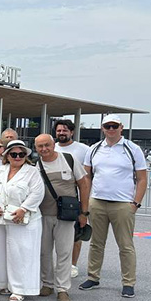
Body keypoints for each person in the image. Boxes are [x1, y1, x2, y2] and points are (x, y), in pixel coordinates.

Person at [79, 114, 147, 298]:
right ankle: (93, 277)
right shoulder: (94, 149)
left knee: (125, 245)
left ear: (121, 128)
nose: (110, 129)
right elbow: (87, 177)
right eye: (107, 126)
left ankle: (128, 282)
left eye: (114, 126)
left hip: (123, 204)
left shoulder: (132, 149)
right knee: (96, 244)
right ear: (102, 128)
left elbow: (142, 179)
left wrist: (135, 204)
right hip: (98, 202)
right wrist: (86, 203)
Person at [0, 140, 45, 301]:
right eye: (14, 154)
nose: (17, 157)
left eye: (21, 154)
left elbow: (37, 193)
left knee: (20, 253)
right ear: (7, 155)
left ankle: (20, 289)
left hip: (22, 219)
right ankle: (2, 283)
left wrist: (23, 209)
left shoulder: (32, 172)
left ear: (26, 156)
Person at [34, 134, 90, 301]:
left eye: (47, 145)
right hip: (43, 215)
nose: (44, 149)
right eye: (40, 146)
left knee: (64, 252)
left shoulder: (69, 159)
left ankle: (63, 289)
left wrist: (84, 212)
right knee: (44, 252)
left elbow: (84, 184)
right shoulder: (35, 164)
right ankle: (47, 284)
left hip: (66, 215)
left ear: (53, 145)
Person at [53, 118, 91, 278]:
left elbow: (87, 178)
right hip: (53, 199)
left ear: (72, 132)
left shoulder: (83, 149)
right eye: (59, 130)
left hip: (73, 198)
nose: (62, 133)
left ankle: (73, 264)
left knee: (75, 233)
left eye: (65, 130)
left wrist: (85, 208)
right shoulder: (50, 147)